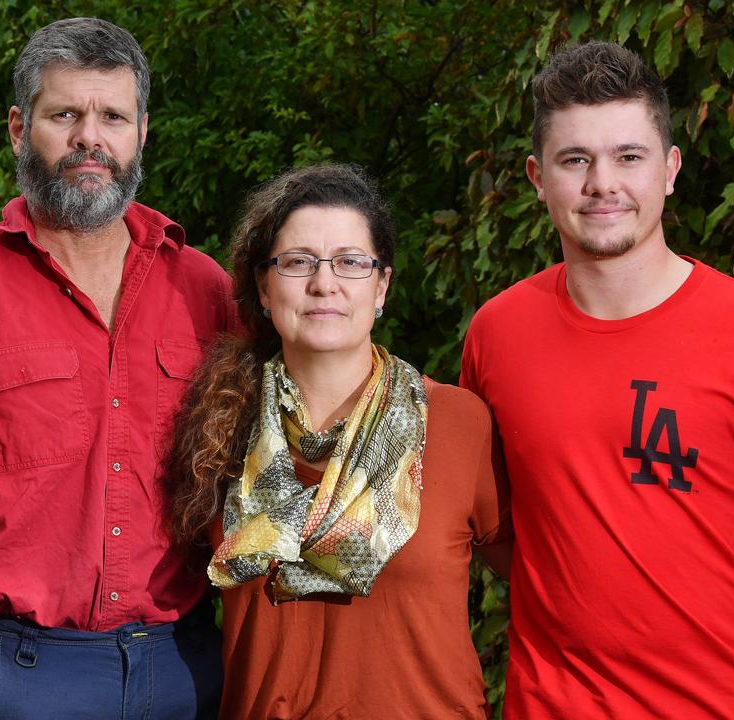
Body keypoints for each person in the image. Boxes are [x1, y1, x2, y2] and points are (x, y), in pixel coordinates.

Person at [460, 41, 734, 718]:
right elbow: (492, 527)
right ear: (536, 176)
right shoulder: (497, 334)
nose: (601, 183)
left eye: (628, 157)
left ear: (669, 169)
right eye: (575, 160)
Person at [0, 17, 232, 719]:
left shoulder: (207, 291)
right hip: (20, 673)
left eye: (112, 116)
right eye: (64, 114)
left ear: (143, 132)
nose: (89, 138)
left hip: (186, 667)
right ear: (20, 128)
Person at [168, 163, 510, 719]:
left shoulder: (457, 423)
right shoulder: (219, 430)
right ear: (263, 285)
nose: (324, 283)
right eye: (298, 262)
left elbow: (543, 584)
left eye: (350, 263)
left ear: (382, 286)